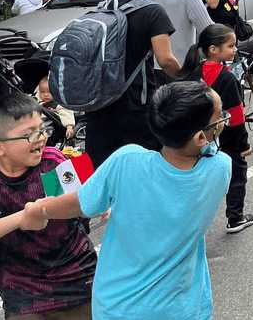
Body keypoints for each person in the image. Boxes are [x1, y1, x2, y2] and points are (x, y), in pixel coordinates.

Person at [23, 81, 232, 320]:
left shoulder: (127, 160)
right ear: (200, 137)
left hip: (119, 307)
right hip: (182, 308)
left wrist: (39, 209)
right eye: (220, 118)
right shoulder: (220, 168)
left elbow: (81, 204)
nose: (224, 121)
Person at [0, 93, 97, 319]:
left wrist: (98, 203)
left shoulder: (53, 161)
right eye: (29, 135)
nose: (41, 137)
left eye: (42, 128)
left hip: (76, 275)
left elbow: (87, 200)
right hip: (20, 286)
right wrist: (22, 218)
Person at [85, 0, 181, 169]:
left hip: (99, 101)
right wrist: (185, 75)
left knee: (105, 170)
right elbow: (165, 60)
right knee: (143, 168)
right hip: (135, 105)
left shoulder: (106, 6)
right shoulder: (152, 11)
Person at [182, 24, 253, 234]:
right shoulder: (227, 78)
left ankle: (190, 224)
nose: (234, 50)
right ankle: (235, 217)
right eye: (231, 46)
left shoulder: (191, 72)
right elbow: (237, 116)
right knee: (236, 174)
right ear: (213, 49)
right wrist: (243, 144)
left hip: (194, 138)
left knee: (195, 179)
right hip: (226, 136)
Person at [36, 74, 76, 142]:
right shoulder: (36, 101)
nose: (46, 94)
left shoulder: (58, 104)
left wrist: (69, 126)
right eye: (42, 92)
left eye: (50, 92)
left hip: (51, 128)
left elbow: (66, 113)